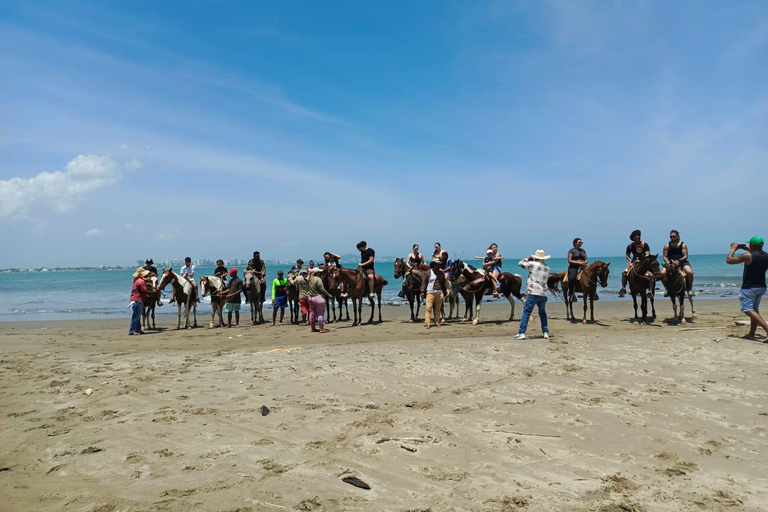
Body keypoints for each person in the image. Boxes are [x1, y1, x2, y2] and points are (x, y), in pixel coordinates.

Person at [727, 237, 768, 340]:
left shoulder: (747, 256)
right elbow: (757, 258)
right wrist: (751, 250)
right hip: (761, 286)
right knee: (754, 310)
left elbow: (729, 260)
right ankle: (752, 334)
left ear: (752, 245)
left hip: (749, 287)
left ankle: (767, 329)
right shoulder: (766, 256)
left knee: (747, 309)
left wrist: (733, 249)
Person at [515, 250, 552, 340]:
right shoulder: (547, 268)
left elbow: (520, 263)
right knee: (542, 313)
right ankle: (545, 331)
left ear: (536, 257)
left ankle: (522, 332)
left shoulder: (533, 264)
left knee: (526, 312)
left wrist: (527, 259)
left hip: (533, 292)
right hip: (543, 293)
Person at [660, 230, 694, 297]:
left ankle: (689, 289)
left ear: (677, 236)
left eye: (674, 236)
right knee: (662, 273)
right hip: (670, 262)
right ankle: (667, 289)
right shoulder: (667, 245)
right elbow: (664, 256)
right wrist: (667, 262)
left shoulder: (683, 245)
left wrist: (679, 261)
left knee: (689, 272)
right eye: (671, 237)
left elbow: (685, 256)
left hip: (682, 261)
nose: (672, 238)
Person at [619, 230, 652, 298]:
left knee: (650, 274)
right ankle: (623, 288)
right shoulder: (630, 246)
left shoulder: (644, 244)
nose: (637, 240)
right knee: (625, 272)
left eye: (638, 238)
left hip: (642, 261)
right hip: (634, 261)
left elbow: (647, 253)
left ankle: (650, 291)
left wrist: (642, 260)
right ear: (633, 238)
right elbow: (627, 255)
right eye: (635, 238)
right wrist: (630, 260)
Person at [421, 259, 448, 329]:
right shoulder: (428, 273)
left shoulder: (441, 274)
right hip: (430, 293)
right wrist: (422, 292)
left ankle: (437, 321)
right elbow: (424, 282)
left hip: (439, 293)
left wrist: (445, 292)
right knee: (428, 308)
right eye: (437, 265)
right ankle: (428, 322)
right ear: (434, 265)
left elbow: (443, 283)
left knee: (438, 309)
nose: (439, 266)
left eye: (439, 265)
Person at [565, 238, 588, 302]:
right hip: (574, 267)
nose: (581, 244)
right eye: (579, 242)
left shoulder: (583, 250)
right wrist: (579, 262)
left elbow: (586, 259)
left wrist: (585, 262)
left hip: (583, 266)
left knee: (591, 275)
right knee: (572, 278)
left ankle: (593, 292)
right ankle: (571, 293)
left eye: (581, 243)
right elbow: (569, 260)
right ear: (575, 243)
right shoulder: (571, 251)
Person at [129, 267, 151, 335]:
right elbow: (144, 290)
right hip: (138, 300)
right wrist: (153, 291)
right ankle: (132, 330)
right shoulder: (141, 281)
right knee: (136, 316)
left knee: (137, 316)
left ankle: (138, 329)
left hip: (133, 299)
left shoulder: (135, 280)